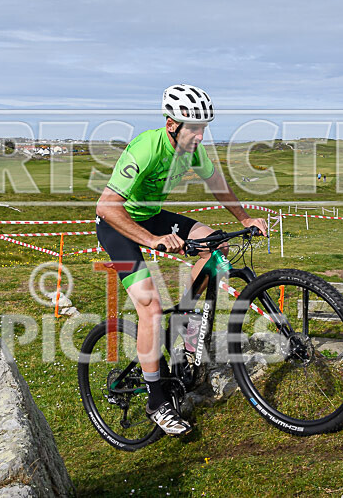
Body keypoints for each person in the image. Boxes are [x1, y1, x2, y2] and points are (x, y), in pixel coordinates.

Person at [95, 84, 267, 436]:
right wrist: (154, 241)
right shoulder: (146, 148)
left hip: (151, 215)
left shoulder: (193, 149)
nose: (200, 136)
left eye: (205, 128)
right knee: (151, 309)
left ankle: (185, 329)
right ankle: (156, 401)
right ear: (172, 125)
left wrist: (244, 219)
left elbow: (218, 184)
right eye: (194, 128)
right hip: (118, 223)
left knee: (213, 244)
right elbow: (105, 206)